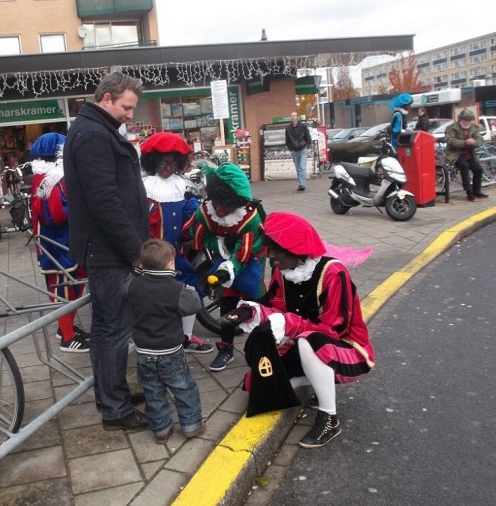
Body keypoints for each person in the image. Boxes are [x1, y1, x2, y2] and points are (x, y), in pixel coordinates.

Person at [220, 212, 375, 449]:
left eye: (276, 251)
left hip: (345, 348)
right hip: (304, 344)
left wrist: (290, 325)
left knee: (308, 341)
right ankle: (314, 383)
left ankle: (329, 419)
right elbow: (274, 306)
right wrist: (249, 312)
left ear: (295, 250)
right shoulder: (285, 272)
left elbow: (335, 329)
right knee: (261, 387)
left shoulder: (334, 273)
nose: (271, 257)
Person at [63, 72, 149, 432]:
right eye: (127, 107)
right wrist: (135, 250)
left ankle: (111, 395)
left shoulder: (95, 130)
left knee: (106, 329)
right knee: (113, 330)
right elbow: (104, 201)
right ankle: (116, 409)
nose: (130, 115)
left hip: (106, 249)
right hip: (110, 251)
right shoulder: (94, 135)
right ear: (108, 98)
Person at [183, 162, 265, 371]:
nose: (219, 210)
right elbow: (197, 235)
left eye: (225, 205)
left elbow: (243, 254)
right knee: (227, 304)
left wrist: (224, 270)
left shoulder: (250, 219)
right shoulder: (206, 212)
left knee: (254, 304)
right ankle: (226, 349)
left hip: (250, 259)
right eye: (216, 203)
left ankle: (263, 349)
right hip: (225, 256)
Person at [124, 238, 205, 444]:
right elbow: (193, 305)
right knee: (184, 388)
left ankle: (161, 430)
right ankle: (191, 425)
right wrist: (189, 289)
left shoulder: (133, 284)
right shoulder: (176, 288)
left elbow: (124, 289)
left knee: (153, 392)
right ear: (170, 264)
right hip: (170, 351)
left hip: (144, 352)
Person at [140, 131, 213, 355]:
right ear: (153, 161)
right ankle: (155, 340)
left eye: (173, 162)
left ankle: (185, 337)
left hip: (175, 254)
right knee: (153, 297)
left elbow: (191, 216)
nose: (167, 167)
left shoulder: (180, 186)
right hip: (150, 256)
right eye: (163, 161)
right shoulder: (144, 187)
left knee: (190, 287)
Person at [29, 132, 90, 353]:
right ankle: (67, 336)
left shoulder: (51, 176)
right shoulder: (51, 180)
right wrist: (82, 205)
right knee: (63, 288)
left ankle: (66, 327)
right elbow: (53, 215)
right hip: (57, 245)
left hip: (64, 242)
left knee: (75, 282)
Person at [444, 109, 487, 201]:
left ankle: (477, 191)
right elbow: (451, 141)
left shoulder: (474, 128)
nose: (467, 122)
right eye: (465, 120)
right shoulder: (452, 128)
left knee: (478, 169)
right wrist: (465, 142)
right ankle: (469, 192)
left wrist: (474, 142)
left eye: (469, 120)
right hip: (456, 154)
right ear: (460, 120)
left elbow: (480, 140)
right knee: (464, 166)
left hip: (469, 154)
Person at [285, 112, 311, 191]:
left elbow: (307, 136)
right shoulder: (288, 128)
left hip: (303, 148)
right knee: (298, 168)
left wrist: (307, 146)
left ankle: (302, 184)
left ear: (297, 117)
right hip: (294, 150)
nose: (292, 117)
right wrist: (290, 148)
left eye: (294, 116)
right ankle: (300, 184)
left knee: (302, 167)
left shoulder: (303, 126)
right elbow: (287, 140)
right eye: (291, 116)